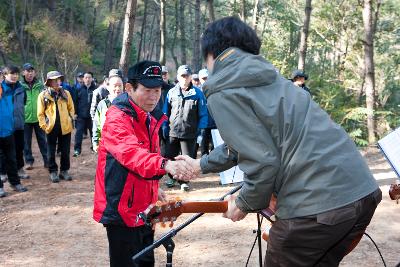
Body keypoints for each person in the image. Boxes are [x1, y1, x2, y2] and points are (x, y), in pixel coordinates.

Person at [180, 16, 381, 266]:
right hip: (362, 193)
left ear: (211, 54)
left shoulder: (223, 88)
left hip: (316, 207)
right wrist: (201, 165)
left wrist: (243, 204)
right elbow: (245, 143)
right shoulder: (274, 81)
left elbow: (263, 161)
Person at [93, 60, 194, 267]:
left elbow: (149, 154)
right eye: (148, 90)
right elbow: (132, 154)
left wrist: (153, 189)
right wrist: (166, 165)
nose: (154, 96)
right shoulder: (117, 117)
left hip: (145, 207)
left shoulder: (151, 115)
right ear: (129, 88)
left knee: (146, 262)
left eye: (157, 90)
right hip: (121, 210)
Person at [162, 65, 208, 191]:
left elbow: (203, 115)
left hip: (190, 133)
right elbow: (166, 111)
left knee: (187, 159)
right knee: (170, 156)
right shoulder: (171, 92)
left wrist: (201, 132)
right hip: (173, 132)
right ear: (177, 77)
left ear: (190, 78)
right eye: (182, 76)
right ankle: (171, 177)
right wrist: (164, 126)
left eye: (186, 76)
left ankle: (184, 181)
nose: (184, 78)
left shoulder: (198, 94)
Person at [37, 71, 75, 183]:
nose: (57, 82)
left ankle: (64, 171)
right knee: (51, 150)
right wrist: (44, 126)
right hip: (51, 128)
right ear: (49, 82)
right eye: (54, 80)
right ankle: (53, 171)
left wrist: (70, 118)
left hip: (65, 127)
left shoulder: (66, 93)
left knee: (65, 150)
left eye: (58, 79)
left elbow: (71, 108)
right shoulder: (43, 95)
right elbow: (40, 113)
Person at [0, 65, 29, 197]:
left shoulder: (14, 90)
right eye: (11, 73)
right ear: (4, 75)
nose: (14, 76)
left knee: (12, 158)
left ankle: (15, 182)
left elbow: (19, 106)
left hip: (9, 130)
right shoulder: (3, 89)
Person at [21, 63, 48, 170]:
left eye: (32, 71)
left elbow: (46, 101)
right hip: (25, 118)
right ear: (23, 73)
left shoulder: (40, 85)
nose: (30, 73)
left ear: (34, 73)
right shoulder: (20, 86)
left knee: (43, 140)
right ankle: (29, 161)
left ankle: (47, 160)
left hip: (39, 118)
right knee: (26, 142)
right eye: (28, 71)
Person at [91, 74, 123, 152]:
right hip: (106, 144)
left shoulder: (129, 103)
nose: (117, 88)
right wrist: (95, 142)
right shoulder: (102, 104)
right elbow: (97, 124)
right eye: (115, 86)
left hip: (124, 145)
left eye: (120, 86)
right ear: (108, 87)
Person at [74, 71, 96, 156]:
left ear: (92, 79)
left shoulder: (95, 89)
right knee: (78, 133)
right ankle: (77, 150)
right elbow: (75, 102)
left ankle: (94, 147)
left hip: (92, 116)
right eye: (86, 77)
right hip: (81, 116)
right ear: (83, 79)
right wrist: (75, 113)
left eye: (89, 77)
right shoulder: (78, 89)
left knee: (93, 133)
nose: (87, 79)